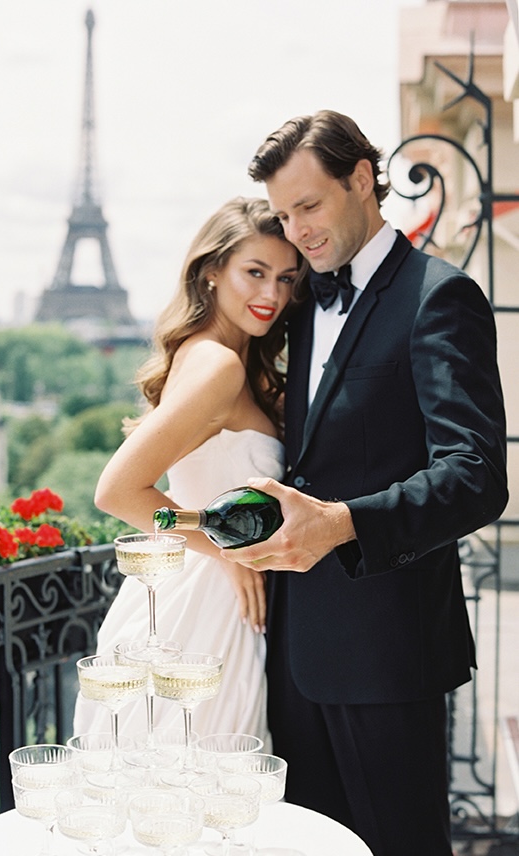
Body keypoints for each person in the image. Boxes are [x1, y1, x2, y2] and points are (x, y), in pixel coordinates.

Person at [220, 111, 508, 856]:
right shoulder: (301, 302)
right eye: (284, 215)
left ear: (359, 179)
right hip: (291, 650)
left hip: (388, 652)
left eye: (308, 206)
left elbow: (477, 475)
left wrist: (344, 522)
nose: (297, 231)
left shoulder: (440, 296)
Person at [73, 196, 304, 743]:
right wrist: (225, 551)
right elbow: (118, 491)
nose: (272, 295)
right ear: (211, 272)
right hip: (205, 609)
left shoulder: (217, 356)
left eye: (286, 278)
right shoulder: (219, 365)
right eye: (255, 272)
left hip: (204, 600)